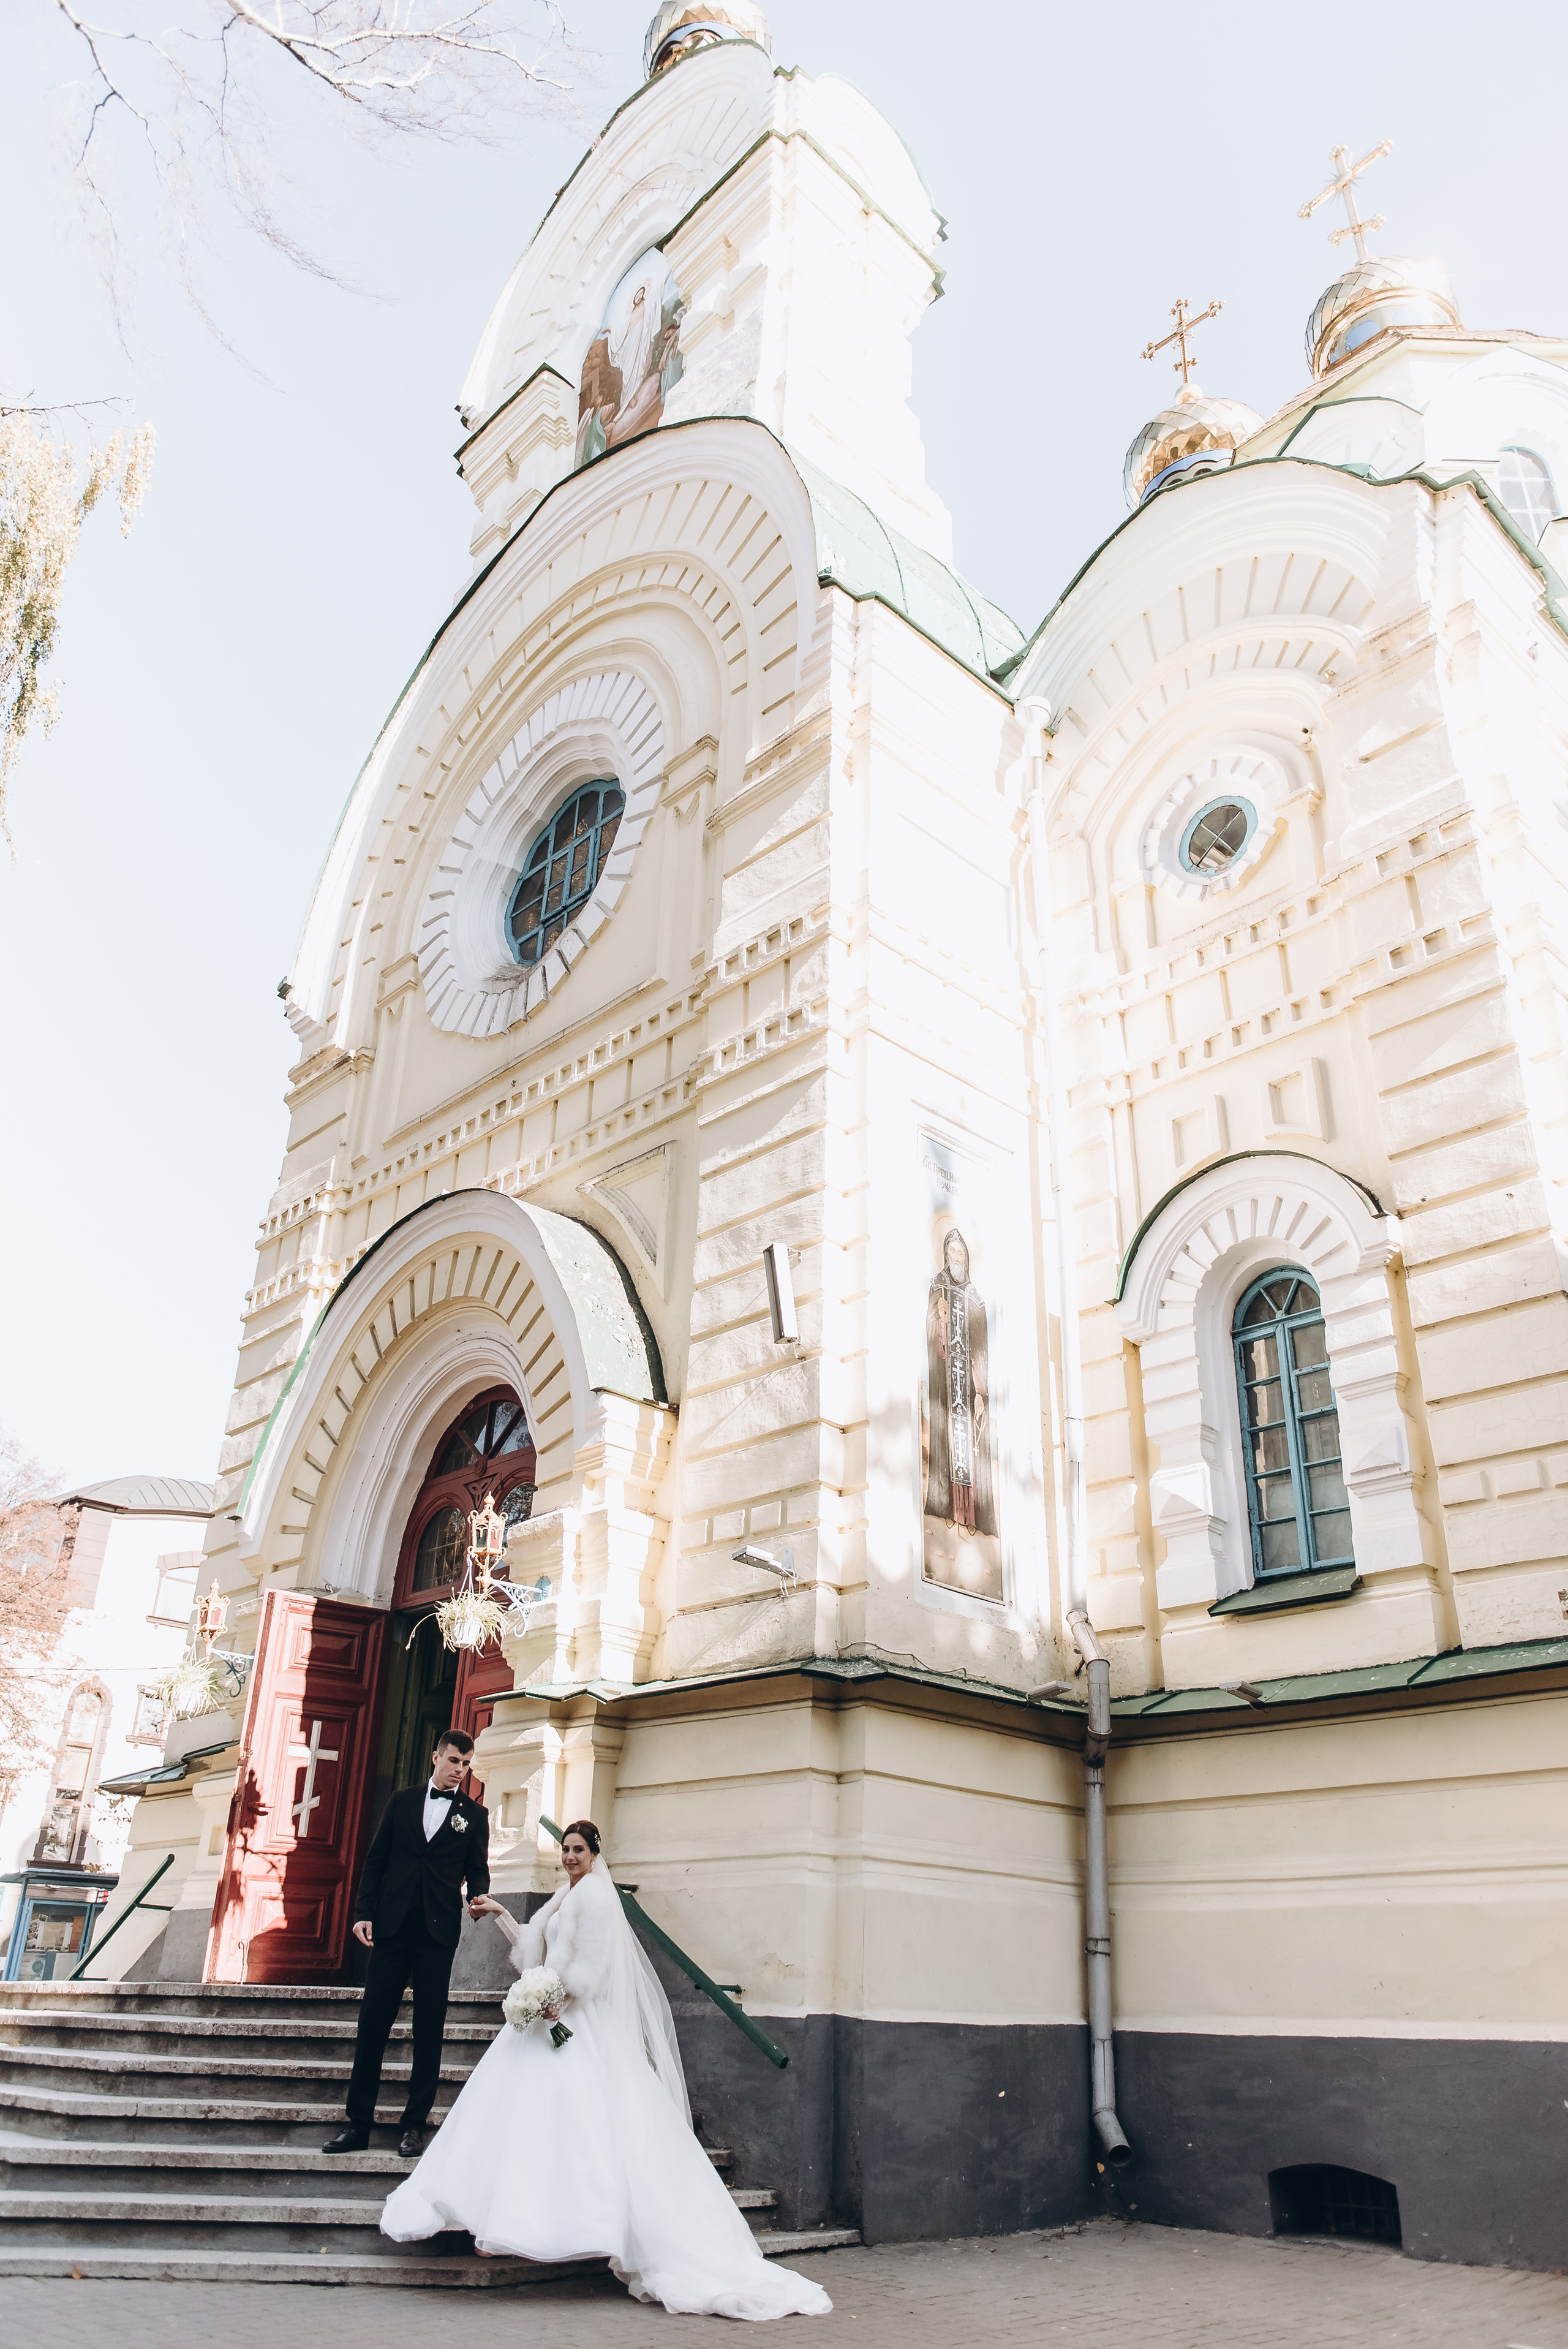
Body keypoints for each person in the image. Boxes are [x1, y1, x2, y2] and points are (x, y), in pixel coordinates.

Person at [380, 1819, 832, 2321]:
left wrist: (553, 2001)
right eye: (565, 1849)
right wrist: (505, 1915)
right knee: (519, 2122)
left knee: (578, 2126)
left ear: (595, 1853)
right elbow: (535, 1948)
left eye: (577, 1849)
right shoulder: (564, 1893)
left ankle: (562, 2228)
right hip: (546, 2015)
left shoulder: (595, 1897)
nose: (569, 1856)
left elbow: (589, 1970)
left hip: (572, 2020)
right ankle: (502, 2222)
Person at [323, 1727, 489, 2159]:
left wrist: (478, 1897)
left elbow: (478, 1869)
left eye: (466, 1764)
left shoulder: (473, 1815)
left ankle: (414, 2125)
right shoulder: (401, 1802)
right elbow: (376, 1861)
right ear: (436, 1756)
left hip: (437, 1932)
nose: (460, 1770)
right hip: (392, 1928)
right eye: (454, 1761)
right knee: (373, 2025)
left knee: (429, 2030)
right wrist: (363, 1912)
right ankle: (357, 2123)